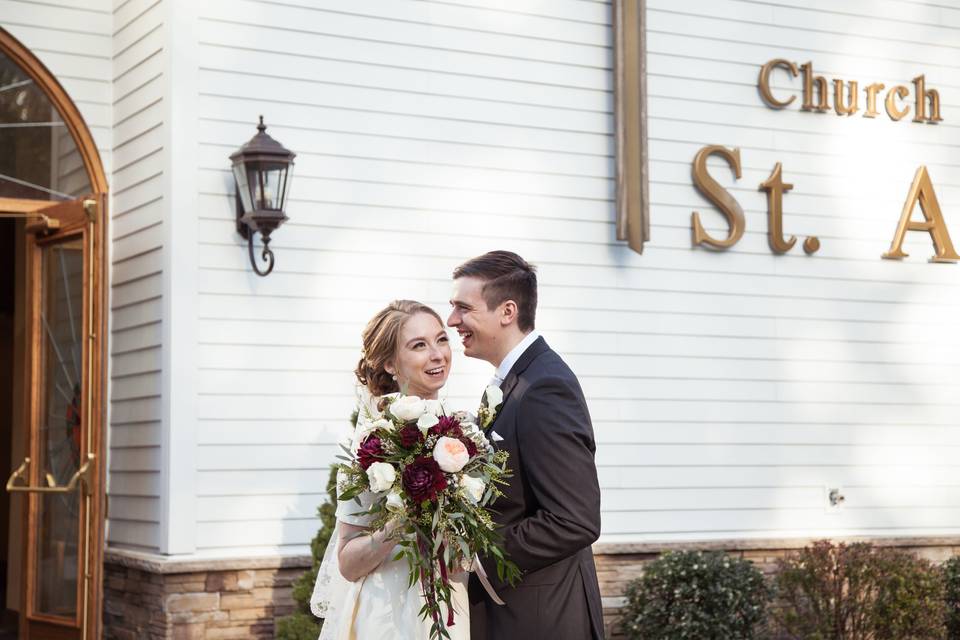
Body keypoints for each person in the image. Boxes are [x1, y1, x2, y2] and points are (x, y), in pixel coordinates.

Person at [448, 251, 604, 640]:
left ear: (507, 311)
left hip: (540, 619)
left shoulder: (543, 388)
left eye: (463, 308)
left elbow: (574, 519)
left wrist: (476, 557)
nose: (453, 321)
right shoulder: (512, 381)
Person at [311, 300, 470, 640]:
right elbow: (347, 563)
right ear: (389, 364)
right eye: (419, 345)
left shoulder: (464, 434)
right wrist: (401, 522)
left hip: (450, 604)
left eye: (441, 339)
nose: (438, 354)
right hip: (388, 613)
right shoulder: (372, 446)